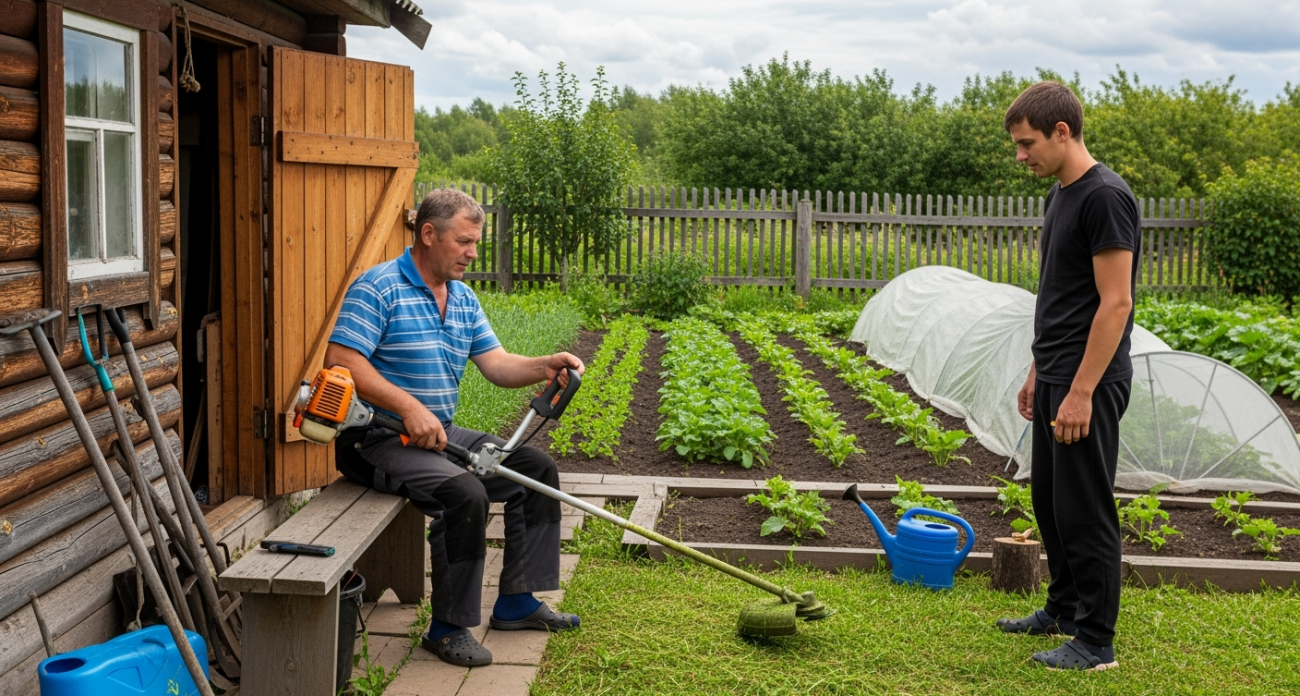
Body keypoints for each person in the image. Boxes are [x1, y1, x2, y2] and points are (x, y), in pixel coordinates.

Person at [324, 188, 585, 668]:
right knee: (465, 492)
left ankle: (516, 602)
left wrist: (544, 365)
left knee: (535, 469)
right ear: (428, 234)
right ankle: (447, 628)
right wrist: (407, 407)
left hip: (438, 433)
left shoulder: (462, 298)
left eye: (476, 244)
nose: (472, 254)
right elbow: (341, 360)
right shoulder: (378, 287)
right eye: (464, 242)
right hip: (374, 440)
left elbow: (497, 364)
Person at [994, 82, 1139, 672]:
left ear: (1062, 132)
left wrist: (1080, 391)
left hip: (1091, 381)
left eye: (1027, 144)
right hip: (1056, 372)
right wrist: (1037, 370)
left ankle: (1096, 641)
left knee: (1086, 507)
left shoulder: (1105, 197)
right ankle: (1062, 605)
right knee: (1051, 501)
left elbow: (1115, 303)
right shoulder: (1062, 194)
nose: (1020, 156)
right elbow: (1062, 297)